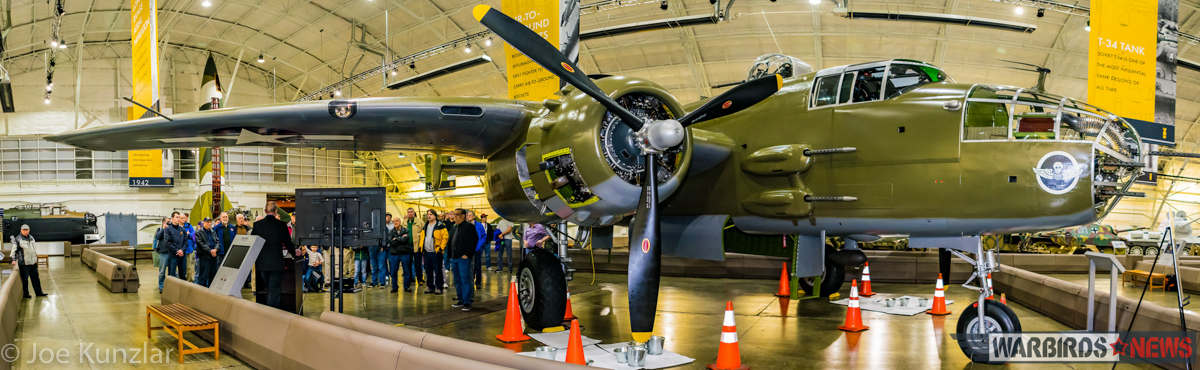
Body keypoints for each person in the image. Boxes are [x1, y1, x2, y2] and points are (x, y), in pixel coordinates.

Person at [250, 201, 299, 310]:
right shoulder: (281, 225)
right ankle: (271, 314)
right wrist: (295, 254)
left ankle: (270, 310)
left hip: (262, 264)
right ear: (276, 211)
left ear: (265, 211)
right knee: (274, 289)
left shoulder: (257, 225)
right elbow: (288, 243)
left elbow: (252, 243)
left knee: (268, 288)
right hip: (276, 263)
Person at [448, 209, 478, 311]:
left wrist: (467, 254)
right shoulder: (454, 227)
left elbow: (474, 240)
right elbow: (450, 240)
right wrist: (450, 255)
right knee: (457, 280)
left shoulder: (469, 227)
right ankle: (460, 299)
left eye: (457, 215)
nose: (455, 216)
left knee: (465, 279)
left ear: (464, 216)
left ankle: (467, 302)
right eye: (454, 215)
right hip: (454, 258)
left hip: (463, 258)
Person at [10, 225, 46, 298]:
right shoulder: (18, 239)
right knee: (25, 280)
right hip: (24, 263)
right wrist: (13, 259)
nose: (25, 231)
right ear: (21, 230)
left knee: (35, 278)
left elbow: (33, 249)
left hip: (33, 263)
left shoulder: (31, 238)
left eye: (27, 230)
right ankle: (26, 294)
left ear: (29, 230)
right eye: (24, 230)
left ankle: (39, 292)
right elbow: (14, 250)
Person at [417, 209, 448, 294]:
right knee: (428, 271)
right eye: (428, 214)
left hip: (436, 252)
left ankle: (439, 287)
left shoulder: (440, 225)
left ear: (435, 216)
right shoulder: (425, 225)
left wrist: (441, 249)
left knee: (438, 271)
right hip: (427, 252)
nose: (429, 216)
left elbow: (445, 238)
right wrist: (421, 247)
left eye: (430, 214)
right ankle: (430, 287)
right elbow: (422, 237)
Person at [387, 218, 412, 292]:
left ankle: (406, 286)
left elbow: (405, 240)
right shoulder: (391, 232)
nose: (395, 222)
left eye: (396, 221)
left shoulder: (406, 230)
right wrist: (400, 238)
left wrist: (396, 239)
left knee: (407, 271)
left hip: (405, 254)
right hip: (394, 254)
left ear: (400, 222)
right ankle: (394, 287)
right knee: (393, 272)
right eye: (393, 221)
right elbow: (391, 242)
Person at [195, 217, 219, 287]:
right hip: (204, 257)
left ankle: (211, 293)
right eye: (207, 222)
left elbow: (218, 242)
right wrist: (210, 250)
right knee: (203, 277)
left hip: (213, 257)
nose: (209, 223)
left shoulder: (213, 232)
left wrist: (216, 249)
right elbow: (201, 244)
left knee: (213, 276)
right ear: (204, 223)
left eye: (210, 222)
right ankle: (201, 293)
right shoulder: (199, 232)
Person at [404, 208, 425, 286]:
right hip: (407, 247)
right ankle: (409, 279)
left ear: (414, 213)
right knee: (408, 264)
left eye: (411, 212)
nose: (410, 213)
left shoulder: (420, 222)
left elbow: (424, 233)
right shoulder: (404, 222)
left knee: (418, 264)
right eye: (408, 212)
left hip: (417, 246)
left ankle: (420, 279)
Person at [372, 213, 394, 288]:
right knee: (374, 266)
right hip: (372, 248)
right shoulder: (371, 226)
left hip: (381, 248)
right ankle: (374, 282)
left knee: (382, 265)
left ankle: (382, 282)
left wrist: (383, 246)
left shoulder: (384, 227)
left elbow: (386, 237)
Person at [467, 211, 487, 289]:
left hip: (477, 249)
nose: (468, 216)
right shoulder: (466, 225)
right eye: (467, 215)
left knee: (477, 266)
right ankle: (470, 281)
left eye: (470, 215)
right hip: (468, 250)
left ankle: (478, 282)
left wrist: (480, 244)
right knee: (469, 267)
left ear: (474, 216)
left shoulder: (479, 225)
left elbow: (484, 236)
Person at [183, 213, 197, 283]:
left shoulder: (189, 226)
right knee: (181, 267)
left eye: (186, 218)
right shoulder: (178, 226)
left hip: (188, 249)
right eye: (183, 218)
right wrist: (186, 233)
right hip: (181, 250)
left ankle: (189, 281)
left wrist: (189, 235)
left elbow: (193, 234)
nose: (185, 219)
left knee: (189, 267)